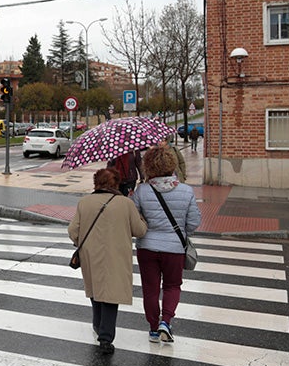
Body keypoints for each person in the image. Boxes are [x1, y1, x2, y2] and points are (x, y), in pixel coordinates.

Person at [68, 168, 148, 355]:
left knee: (96, 290)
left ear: (96, 183)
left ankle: (98, 325)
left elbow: (73, 231)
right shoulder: (125, 204)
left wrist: (80, 243)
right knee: (111, 294)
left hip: (90, 254)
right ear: (116, 183)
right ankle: (106, 337)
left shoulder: (84, 202)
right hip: (116, 255)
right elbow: (140, 230)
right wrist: (141, 217)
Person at [131, 145, 202, 344]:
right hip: (174, 249)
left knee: (150, 289)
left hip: (147, 248)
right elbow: (194, 222)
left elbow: (134, 218)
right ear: (172, 164)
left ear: (148, 166)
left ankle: (153, 327)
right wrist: (181, 232)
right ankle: (166, 321)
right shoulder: (187, 191)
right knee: (172, 286)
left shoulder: (142, 190)